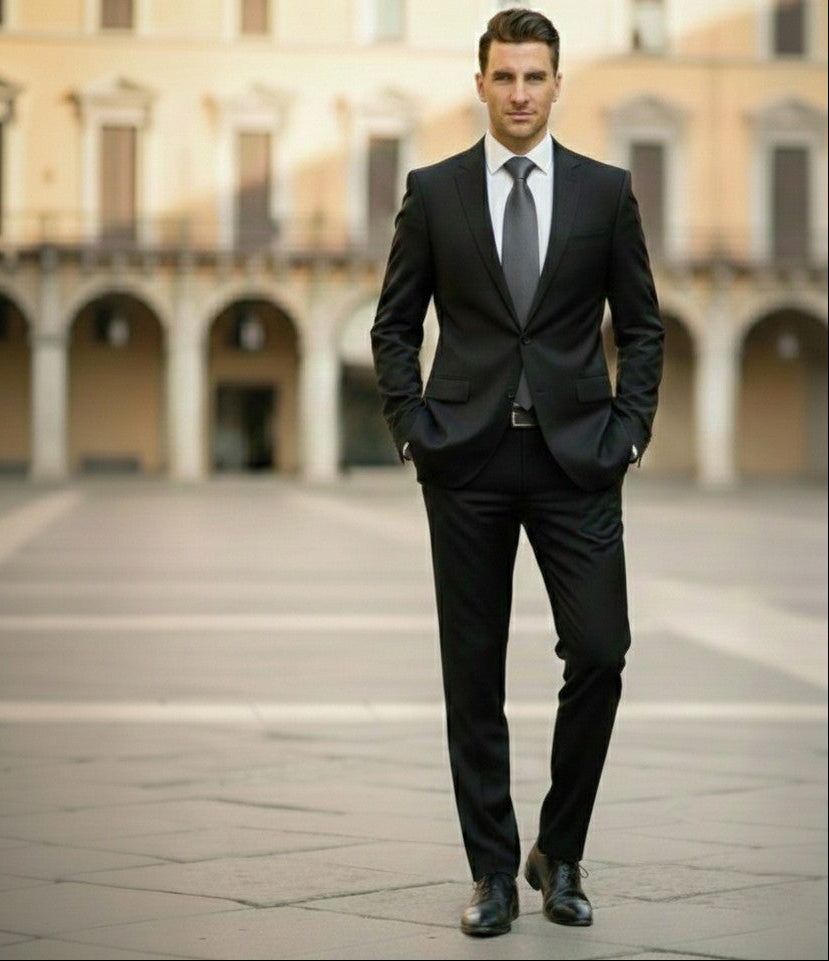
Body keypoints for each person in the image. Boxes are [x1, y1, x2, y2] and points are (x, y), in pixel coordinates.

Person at [371, 7, 663, 938]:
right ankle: (492, 871)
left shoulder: (604, 193)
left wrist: (628, 433)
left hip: (579, 458)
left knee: (602, 652)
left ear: (557, 83)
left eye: (535, 76)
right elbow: (393, 324)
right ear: (480, 84)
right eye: (504, 76)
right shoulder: (434, 191)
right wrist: (413, 429)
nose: (520, 93)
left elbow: (642, 328)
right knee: (472, 672)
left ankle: (559, 850)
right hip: (467, 458)